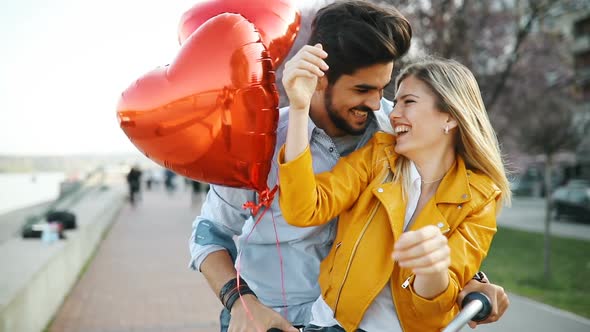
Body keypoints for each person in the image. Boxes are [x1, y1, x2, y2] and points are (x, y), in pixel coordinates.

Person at [189, 2, 508, 331]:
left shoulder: (394, 131)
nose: (377, 103)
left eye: (383, 88)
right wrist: (241, 304)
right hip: (263, 316)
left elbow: (438, 206)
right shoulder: (258, 143)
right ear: (320, 79)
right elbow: (209, 236)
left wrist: (468, 277)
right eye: (362, 89)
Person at [278, 56, 512, 331]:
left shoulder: (480, 197)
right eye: (396, 102)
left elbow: (431, 311)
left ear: (449, 116)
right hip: (331, 323)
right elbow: (304, 208)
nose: (393, 114)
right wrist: (299, 107)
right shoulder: (377, 157)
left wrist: (432, 268)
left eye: (408, 102)